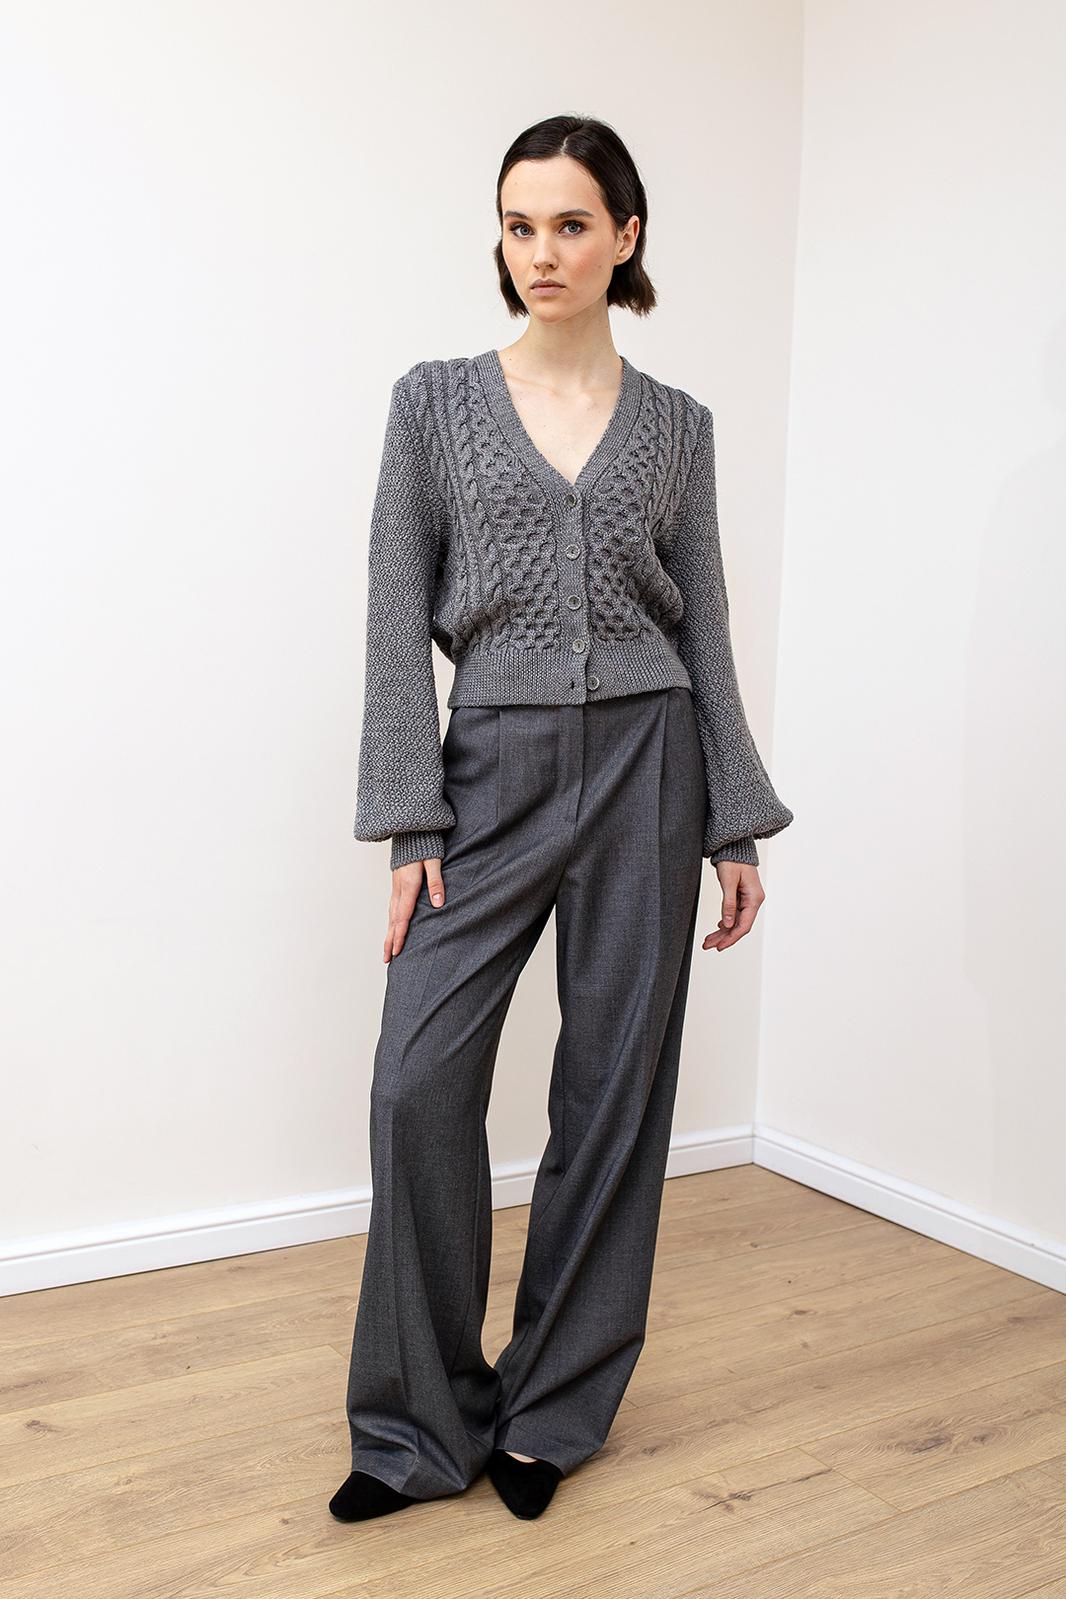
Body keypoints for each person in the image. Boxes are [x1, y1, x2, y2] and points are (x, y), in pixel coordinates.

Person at [329, 113, 793, 1526]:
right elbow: (392, 617)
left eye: (572, 224)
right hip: (490, 769)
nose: (542, 252)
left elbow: (704, 626)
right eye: (520, 225)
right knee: (416, 1083)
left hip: (652, 760)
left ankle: (550, 1411)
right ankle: (415, 1430)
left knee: (612, 1092)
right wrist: (413, 822)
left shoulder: (678, 427)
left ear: (625, 237)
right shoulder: (433, 403)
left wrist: (732, 819)